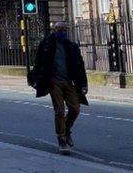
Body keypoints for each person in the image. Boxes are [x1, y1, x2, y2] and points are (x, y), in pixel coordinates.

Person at [28, 20, 88, 155]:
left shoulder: (71, 46)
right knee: (59, 110)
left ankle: (66, 129)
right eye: (59, 29)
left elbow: (80, 66)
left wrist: (83, 84)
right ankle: (61, 139)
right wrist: (36, 80)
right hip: (53, 82)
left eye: (64, 29)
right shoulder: (46, 44)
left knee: (75, 108)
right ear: (54, 30)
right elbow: (38, 62)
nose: (62, 32)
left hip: (69, 81)